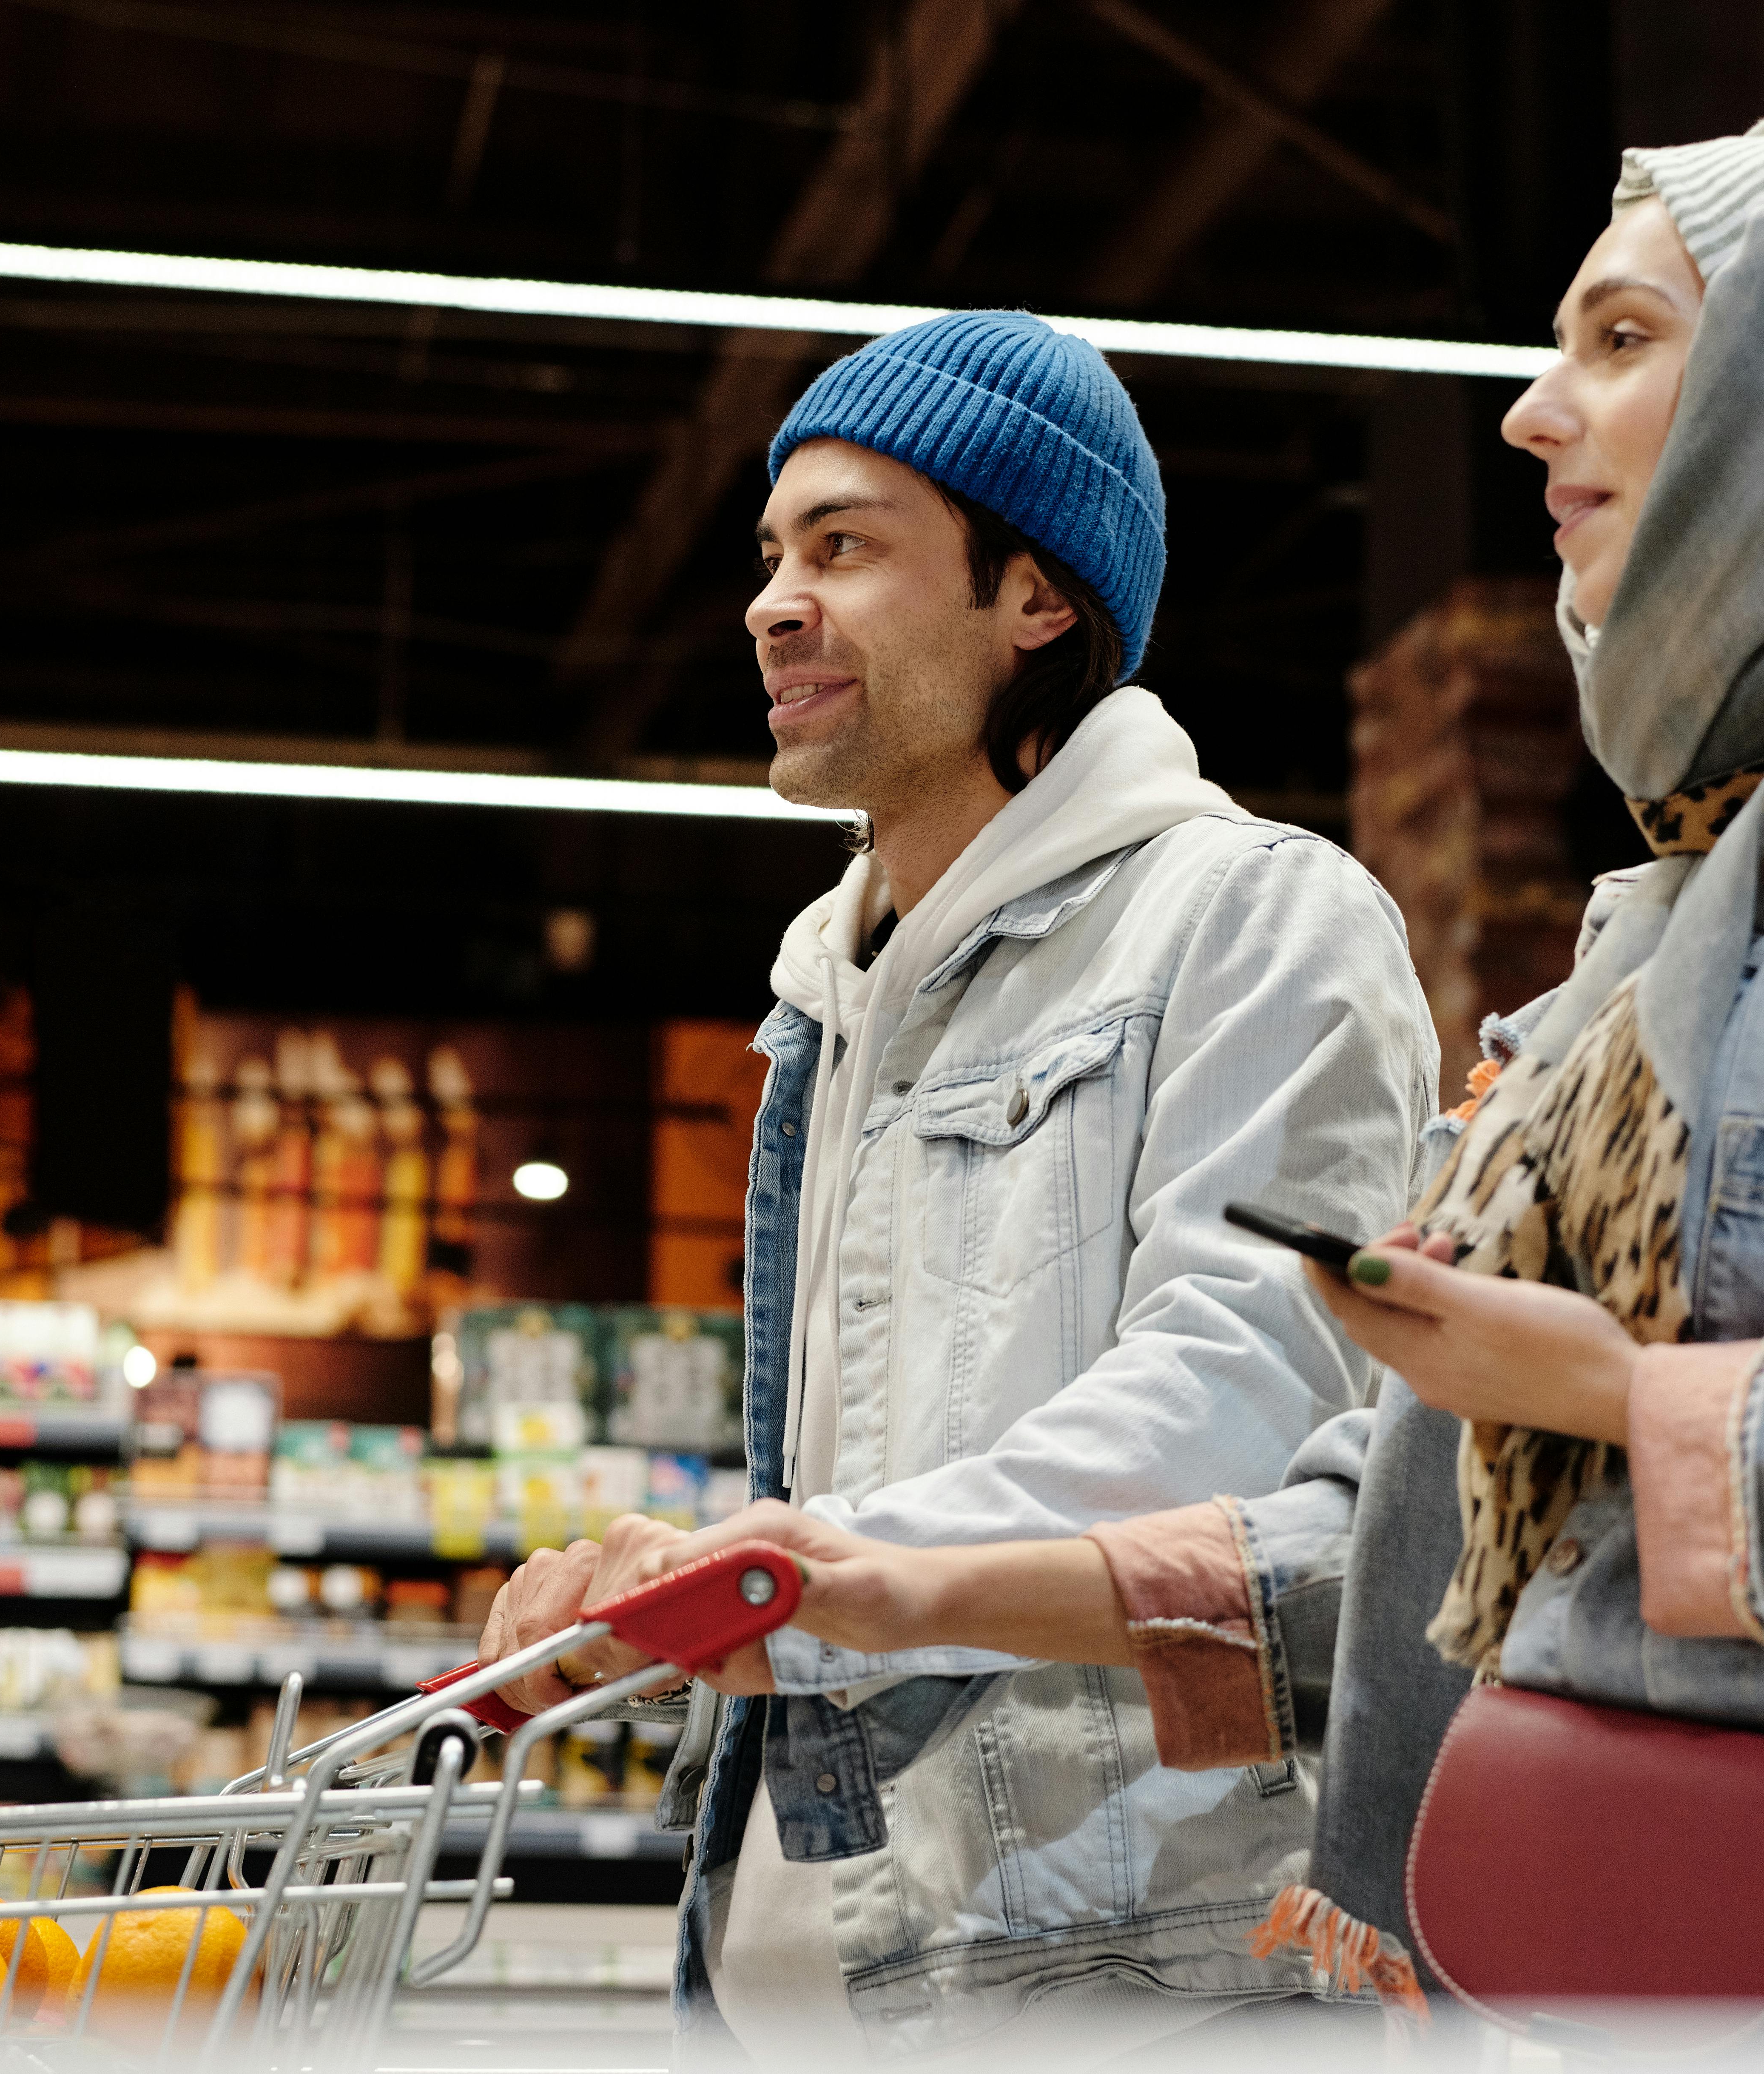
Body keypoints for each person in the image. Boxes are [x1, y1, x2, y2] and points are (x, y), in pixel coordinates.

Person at [593, 113, 1764, 2011]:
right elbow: (1390, 1523)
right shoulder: (1637, 968)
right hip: (1659, 1980)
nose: (1531, 414)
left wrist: (1650, 1418)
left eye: (1622, 341)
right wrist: (862, 1587)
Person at [474, 308, 1441, 2059]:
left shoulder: (1251, 919)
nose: (774, 602)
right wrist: (691, 1591)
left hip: (1110, 1964)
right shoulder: (824, 1003)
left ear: (1036, 600)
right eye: (772, 553)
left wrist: (787, 1576)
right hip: (812, 1950)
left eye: (845, 546)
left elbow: (1243, 1400)